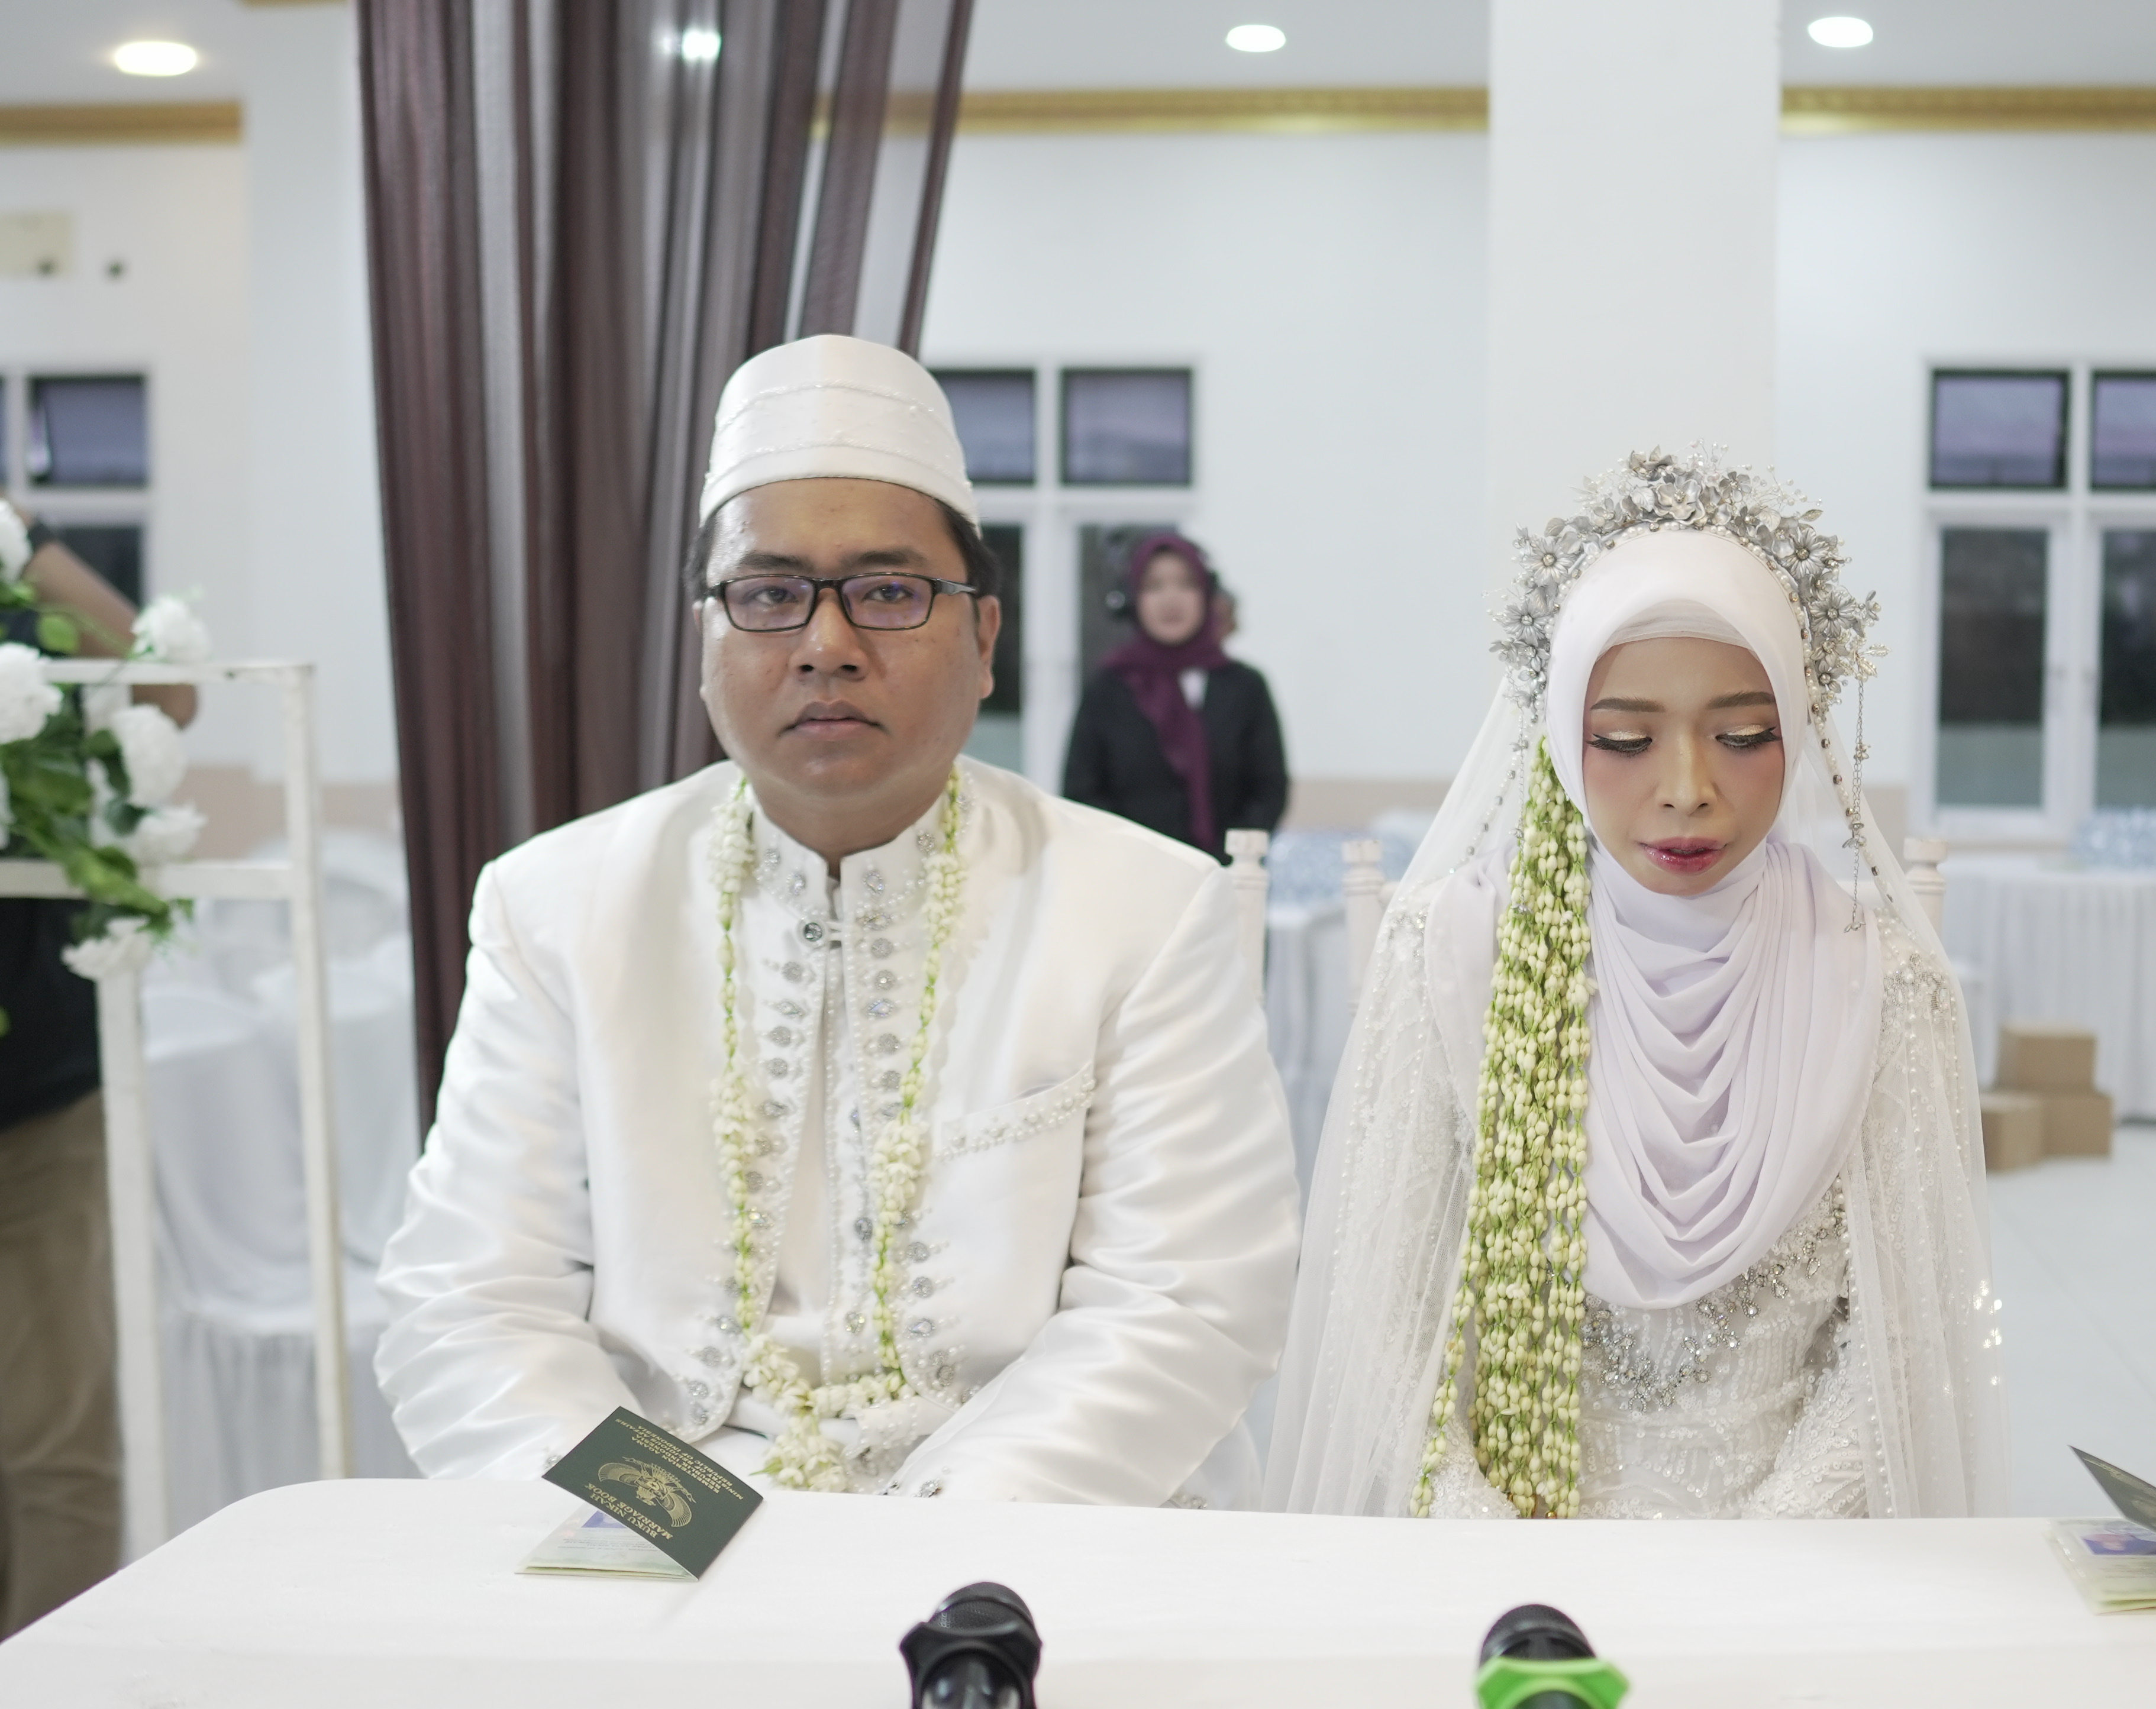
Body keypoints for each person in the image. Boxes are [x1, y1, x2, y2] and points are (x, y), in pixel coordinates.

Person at [376, 335, 1300, 1506]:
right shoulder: (555, 907)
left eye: (888, 593)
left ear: (984, 641)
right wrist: (671, 1524)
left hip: (1034, 1540)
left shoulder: (1144, 907)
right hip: (663, 1536)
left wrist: (930, 1548)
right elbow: (472, 1299)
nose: (826, 646)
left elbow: (1181, 1299)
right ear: (705, 644)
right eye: (767, 595)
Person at [1264, 451, 2006, 1520]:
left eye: (1742, 736)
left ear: (1799, 730)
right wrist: (1498, 1546)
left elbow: (1905, 1343)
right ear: (1561, 737)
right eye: (1623, 739)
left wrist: (1755, 1552)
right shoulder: (1453, 957)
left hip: (1791, 1561)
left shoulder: (1882, 983)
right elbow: (1378, 1324)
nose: (1687, 790)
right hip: (1510, 1565)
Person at [0, 498, 195, 1633]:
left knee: (57, 1447)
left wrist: (18, 541)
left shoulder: (27, 599)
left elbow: (169, 690)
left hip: (41, 1090)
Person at [1062, 532, 1287, 855]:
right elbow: (1081, 793)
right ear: (1133, 598)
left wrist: (1229, 860)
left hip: (1228, 873)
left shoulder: (1245, 687)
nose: (1171, 599)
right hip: (1132, 872)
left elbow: (1269, 790)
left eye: (1186, 584)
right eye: (1154, 586)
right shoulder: (1108, 689)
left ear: (1207, 595)